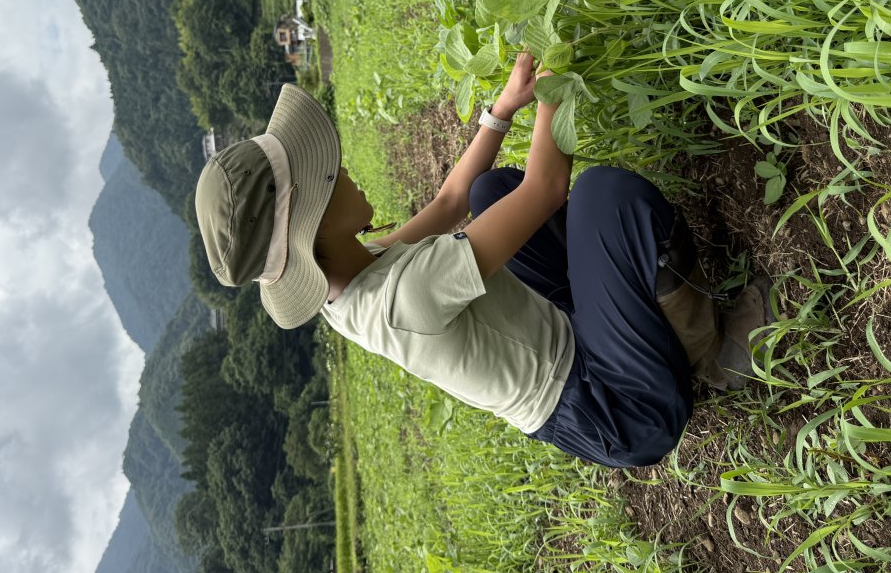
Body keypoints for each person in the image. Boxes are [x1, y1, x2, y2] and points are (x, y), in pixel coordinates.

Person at [194, 53, 766, 469]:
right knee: (602, 199)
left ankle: (645, 328)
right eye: (330, 173)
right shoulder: (402, 298)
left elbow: (448, 204)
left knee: (489, 193)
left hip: (569, 343)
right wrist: (552, 94)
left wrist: (504, 109)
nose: (343, 169)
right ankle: (709, 354)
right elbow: (545, 189)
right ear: (313, 223)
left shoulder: (344, 275)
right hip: (619, 408)